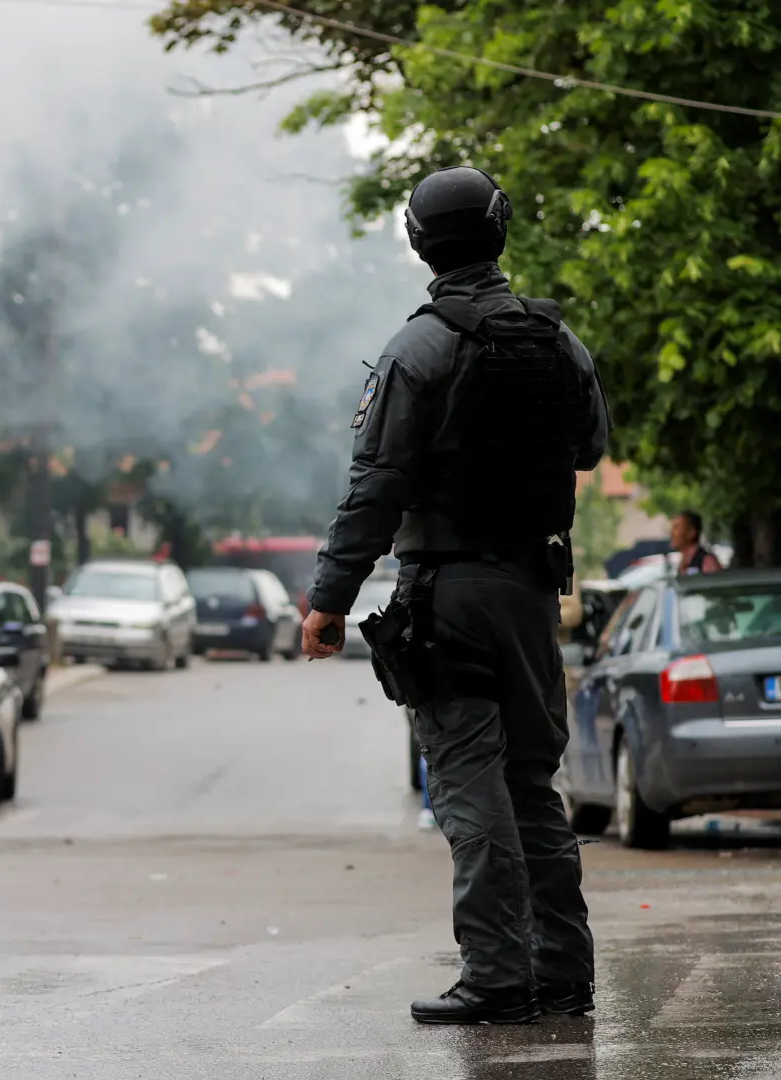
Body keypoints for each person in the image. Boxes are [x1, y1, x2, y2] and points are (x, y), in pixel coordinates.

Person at [300, 166, 610, 1025]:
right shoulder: (560, 342)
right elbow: (589, 447)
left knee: (470, 788)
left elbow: (376, 487)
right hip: (530, 593)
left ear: (419, 242)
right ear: (501, 231)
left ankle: (497, 977)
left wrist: (329, 598)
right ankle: (564, 973)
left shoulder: (417, 349)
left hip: (450, 596)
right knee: (533, 786)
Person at [670, 510, 724, 575]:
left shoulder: (707, 561)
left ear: (691, 532)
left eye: (677, 527)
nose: (672, 532)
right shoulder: (682, 563)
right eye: (673, 527)